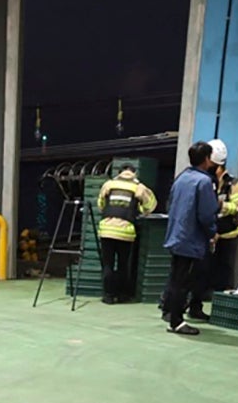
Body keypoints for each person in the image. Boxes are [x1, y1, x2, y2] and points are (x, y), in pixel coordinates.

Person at [161, 142, 220, 336]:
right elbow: (206, 214)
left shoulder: (181, 178)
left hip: (177, 235)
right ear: (206, 159)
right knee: (183, 282)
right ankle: (177, 322)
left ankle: (169, 313)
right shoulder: (203, 182)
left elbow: (171, 204)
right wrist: (212, 233)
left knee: (176, 278)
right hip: (191, 239)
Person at [197, 139, 238, 321]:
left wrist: (221, 205)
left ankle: (223, 304)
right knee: (206, 268)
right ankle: (201, 298)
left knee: (225, 269)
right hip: (211, 234)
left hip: (229, 233)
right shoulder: (206, 182)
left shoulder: (233, 184)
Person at [94, 161, 156, 305]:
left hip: (107, 230)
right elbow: (151, 205)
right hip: (125, 231)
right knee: (123, 264)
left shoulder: (109, 184)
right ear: (134, 173)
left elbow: (100, 205)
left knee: (108, 264)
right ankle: (122, 295)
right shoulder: (138, 187)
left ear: (119, 172)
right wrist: (140, 209)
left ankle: (108, 296)